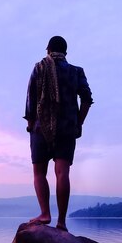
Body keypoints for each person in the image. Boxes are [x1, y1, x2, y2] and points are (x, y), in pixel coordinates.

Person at [24, 36, 93, 232]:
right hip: (67, 127)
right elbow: (87, 99)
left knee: (39, 172)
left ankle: (45, 214)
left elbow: (30, 100)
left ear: (47, 50)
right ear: (66, 53)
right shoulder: (76, 71)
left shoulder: (39, 68)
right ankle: (61, 222)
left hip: (40, 127)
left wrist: (31, 125)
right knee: (62, 172)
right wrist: (78, 122)